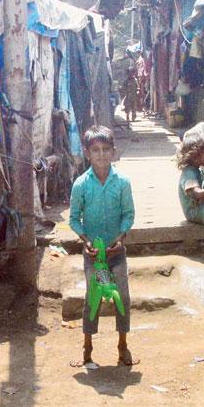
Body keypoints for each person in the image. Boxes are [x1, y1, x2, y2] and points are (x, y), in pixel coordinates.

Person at [68, 125, 137, 368]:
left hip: (116, 253)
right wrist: (86, 243)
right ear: (88, 153)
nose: (101, 154)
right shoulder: (81, 185)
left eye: (106, 149)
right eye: (96, 150)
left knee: (123, 298)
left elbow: (129, 214)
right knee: (93, 299)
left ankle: (123, 346)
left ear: (113, 151)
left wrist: (121, 237)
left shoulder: (122, 182)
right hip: (94, 255)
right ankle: (87, 346)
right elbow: (74, 219)